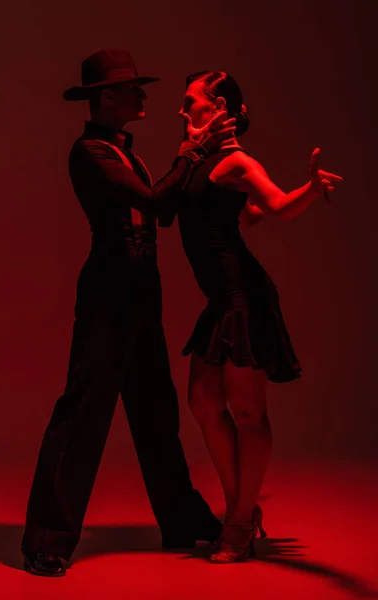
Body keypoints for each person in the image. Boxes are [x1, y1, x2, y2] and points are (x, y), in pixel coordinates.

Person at [21, 50, 236, 577]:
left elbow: (160, 209)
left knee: (156, 410)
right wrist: (192, 151)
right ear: (106, 98)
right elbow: (158, 204)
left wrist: (204, 160)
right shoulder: (90, 152)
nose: (142, 97)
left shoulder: (122, 150)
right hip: (109, 293)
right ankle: (46, 541)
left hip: (140, 288)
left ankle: (182, 519)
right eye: (133, 89)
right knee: (84, 411)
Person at [165, 70, 343, 563]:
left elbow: (278, 206)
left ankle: (239, 524)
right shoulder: (199, 158)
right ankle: (241, 508)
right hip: (220, 299)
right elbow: (242, 215)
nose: (183, 111)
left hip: (243, 297)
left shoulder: (238, 161)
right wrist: (242, 216)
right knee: (203, 403)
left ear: (217, 105)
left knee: (246, 412)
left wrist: (307, 189)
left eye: (190, 102)